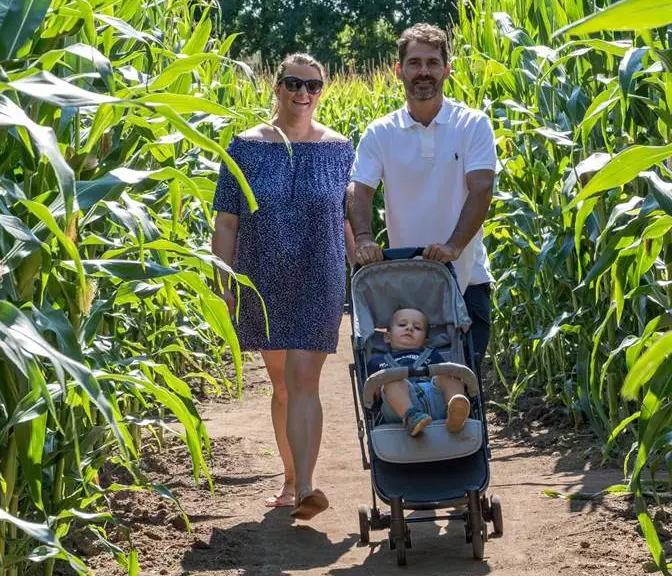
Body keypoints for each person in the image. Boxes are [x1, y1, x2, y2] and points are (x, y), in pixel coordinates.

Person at [211, 53, 354, 521]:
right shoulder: (245, 147)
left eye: (313, 87)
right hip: (262, 277)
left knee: (303, 380)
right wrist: (224, 279)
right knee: (281, 385)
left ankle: (308, 486)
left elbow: (349, 218)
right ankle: (291, 480)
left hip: (320, 272)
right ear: (276, 88)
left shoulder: (339, 148)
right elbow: (227, 222)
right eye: (293, 84)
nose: (303, 94)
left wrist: (367, 269)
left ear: (321, 92)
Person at [348, 23, 498, 369]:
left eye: (432, 63)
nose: (424, 72)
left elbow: (481, 188)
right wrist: (365, 238)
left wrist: (453, 246)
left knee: (465, 385)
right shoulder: (381, 132)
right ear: (399, 70)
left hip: (466, 279)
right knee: (406, 380)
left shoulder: (473, 125)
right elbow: (359, 188)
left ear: (447, 69)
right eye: (414, 63)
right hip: (406, 286)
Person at [366, 308, 470, 436]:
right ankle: (411, 417)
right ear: (387, 337)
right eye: (402, 325)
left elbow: (443, 375)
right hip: (398, 407)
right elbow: (372, 390)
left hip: (434, 398)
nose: (409, 328)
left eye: (417, 327)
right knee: (391, 382)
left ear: (425, 343)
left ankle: (455, 411)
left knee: (450, 376)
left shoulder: (432, 354)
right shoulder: (377, 362)